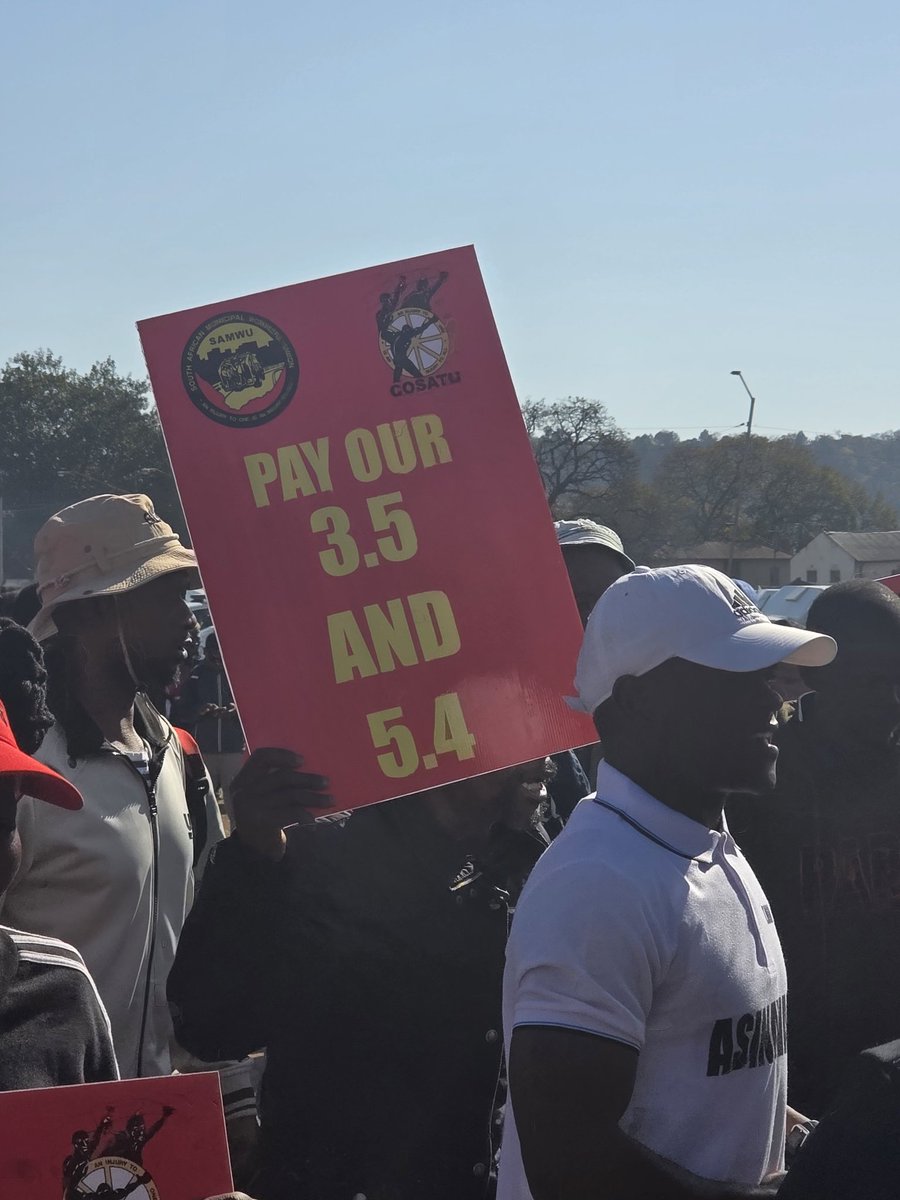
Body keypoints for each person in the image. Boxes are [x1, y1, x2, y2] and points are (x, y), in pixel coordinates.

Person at [497, 565, 837, 1200]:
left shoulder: (699, 842)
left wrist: (798, 1138)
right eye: (737, 675)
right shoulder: (598, 883)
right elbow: (567, 1165)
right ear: (637, 701)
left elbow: (701, 1074)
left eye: (768, 674)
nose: (774, 699)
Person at [168, 754, 556, 1200]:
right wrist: (253, 858)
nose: (544, 761)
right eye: (514, 732)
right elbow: (210, 1026)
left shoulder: (533, 853)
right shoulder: (320, 859)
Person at [729, 581, 900, 1115]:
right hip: (801, 1073)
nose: (894, 698)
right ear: (819, 675)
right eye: (875, 681)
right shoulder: (765, 779)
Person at [546, 518, 635, 831]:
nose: (593, 617)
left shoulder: (663, 699)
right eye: (575, 601)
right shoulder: (509, 716)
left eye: (610, 599)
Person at [176, 634, 244, 818]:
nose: (217, 660)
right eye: (213, 656)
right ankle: (208, 835)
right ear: (205, 652)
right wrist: (200, 710)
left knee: (236, 800)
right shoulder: (196, 675)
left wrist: (236, 711)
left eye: (220, 655)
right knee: (205, 801)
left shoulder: (238, 673)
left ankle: (239, 834)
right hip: (204, 749)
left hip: (234, 748)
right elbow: (182, 712)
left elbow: (254, 706)